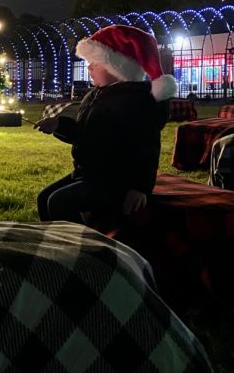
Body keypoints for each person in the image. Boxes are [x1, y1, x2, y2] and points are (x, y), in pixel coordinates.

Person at [35, 24, 177, 225]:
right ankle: (59, 246)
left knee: (60, 202)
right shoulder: (96, 95)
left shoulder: (137, 101)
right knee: (44, 198)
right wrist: (58, 125)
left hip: (115, 180)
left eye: (95, 62)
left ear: (117, 66)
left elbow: (146, 145)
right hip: (89, 172)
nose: (88, 67)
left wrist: (139, 187)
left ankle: (85, 250)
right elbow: (87, 133)